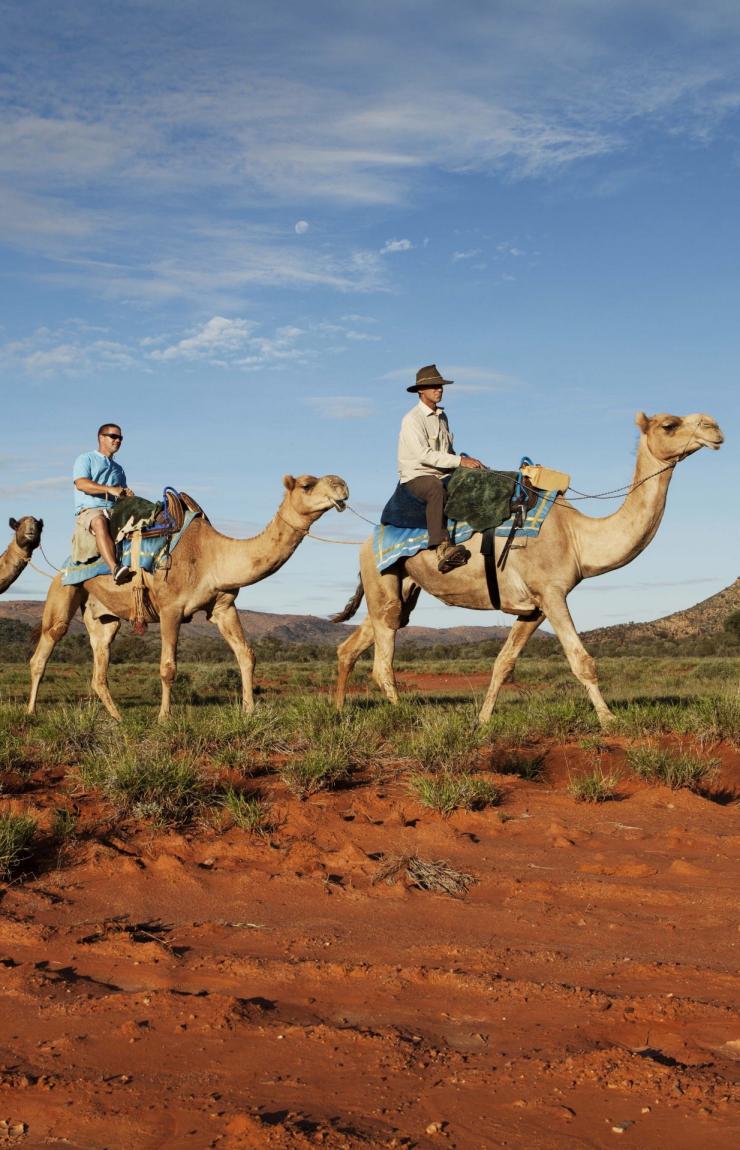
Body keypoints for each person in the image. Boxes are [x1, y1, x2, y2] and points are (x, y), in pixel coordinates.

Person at [398, 364, 485, 572]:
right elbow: (423, 456)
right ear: (421, 391)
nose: (439, 390)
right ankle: (441, 545)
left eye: (440, 386)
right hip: (418, 475)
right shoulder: (412, 420)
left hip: (442, 471)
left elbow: (447, 451)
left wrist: (464, 460)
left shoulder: (442, 417)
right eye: (434, 386)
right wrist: (458, 462)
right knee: (435, 488)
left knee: (481, 478)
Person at [73, 423, 134, 584]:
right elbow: (81, 483)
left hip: (115, 511)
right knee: (100, 522)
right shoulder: (86, 459)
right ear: (101, 437)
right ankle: (115, 568)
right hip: (91, 510)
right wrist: (109, 490)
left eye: (120, 438)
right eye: (113, 436)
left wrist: (126, 494)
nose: (118, 440)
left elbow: (120, 492)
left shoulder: (118, 469)